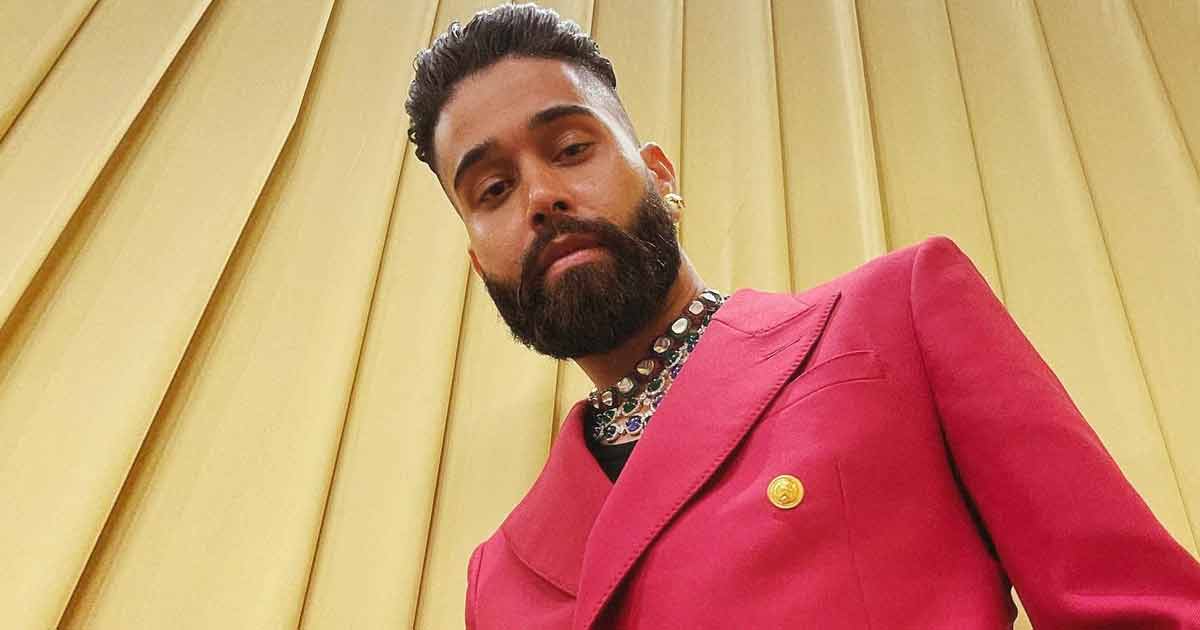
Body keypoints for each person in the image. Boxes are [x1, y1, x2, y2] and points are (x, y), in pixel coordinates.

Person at [404, 3, 1200, 628]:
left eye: (573, 148)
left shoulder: (896, 316)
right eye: (493, 190)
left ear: (660, 176)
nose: (542, 196)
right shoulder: (499, 578)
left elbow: (1138, 609)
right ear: (480, 263)